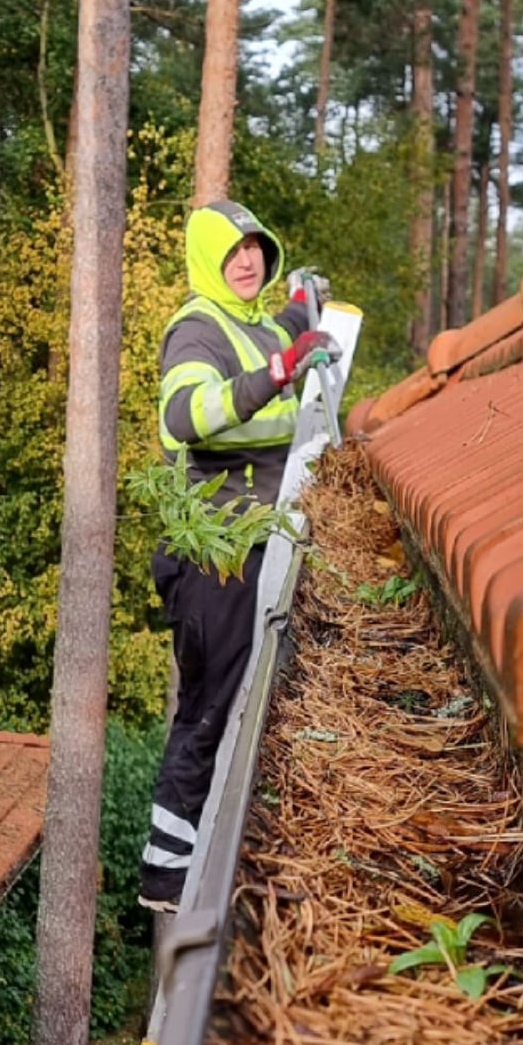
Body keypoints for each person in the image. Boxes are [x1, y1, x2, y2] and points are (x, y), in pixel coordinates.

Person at [140, 201, 333, 909]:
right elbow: (186, 415)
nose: (247, 261)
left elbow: (279, 330)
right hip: (216, 558)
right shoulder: (197, 329)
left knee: (240, 702)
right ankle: (165, 876)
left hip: (257, 545)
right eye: (232, 253)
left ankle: (204, 854)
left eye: (256, 247)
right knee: (209, 706)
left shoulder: (249, 323)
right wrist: (282, 368)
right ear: (207, 262)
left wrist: (300, 307)